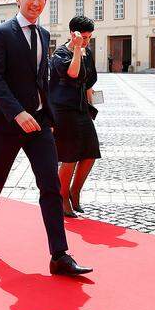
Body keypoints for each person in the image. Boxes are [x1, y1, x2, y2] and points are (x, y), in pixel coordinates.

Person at [0, 0, 92, 276]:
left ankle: (59, 255)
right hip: (6, 124)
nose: (36, 3)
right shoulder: (0, 33)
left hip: (38, 124)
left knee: (50, 185)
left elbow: (42, 80)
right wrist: (17, 113)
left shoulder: (44, 33)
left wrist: (46, 117)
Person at [49, 16, 101, 219]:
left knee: (90, 153)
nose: (87, 41)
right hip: (63, 110)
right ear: (73, 33)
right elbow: (73, 73)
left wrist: (92, 106)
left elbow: (88, 81)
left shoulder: (87, 52)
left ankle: (75, 190)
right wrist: (78, 49)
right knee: (69, 156)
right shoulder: (60, 54)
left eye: (89, 37)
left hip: (81, 108)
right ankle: (61, 197)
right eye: (84, 37)